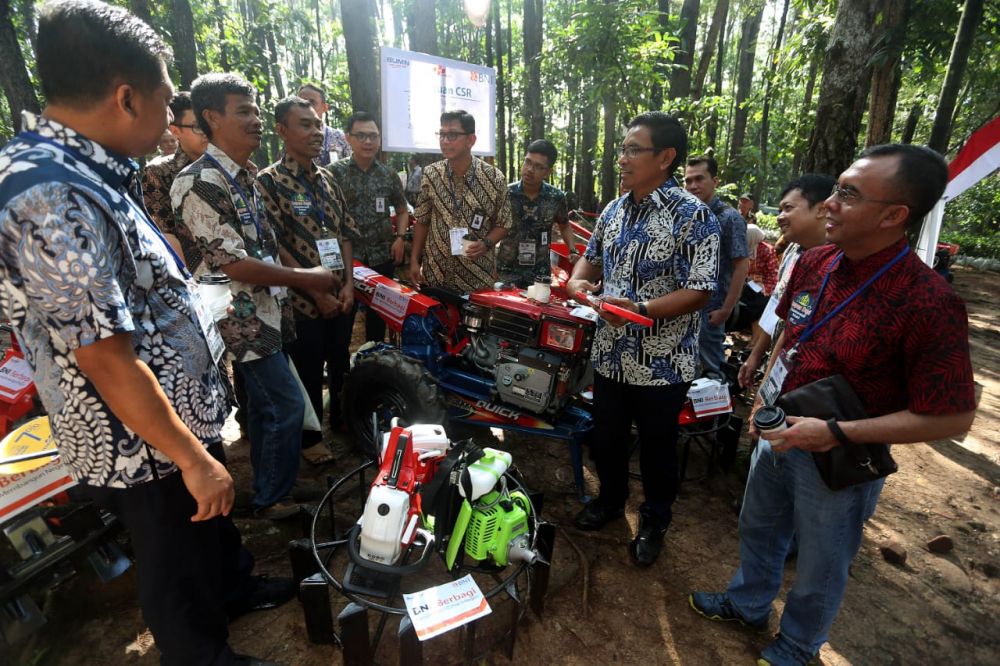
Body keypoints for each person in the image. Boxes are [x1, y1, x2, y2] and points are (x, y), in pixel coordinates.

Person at [0, 3, 292, 664]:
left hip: (174, 414)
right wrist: (189, 457)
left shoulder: (85, 170)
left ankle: (235, 589)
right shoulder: (51, 196)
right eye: (167, 100)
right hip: (142, 442)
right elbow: (105, 358)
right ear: (126, 97)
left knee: (208, 536)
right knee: (173, 555)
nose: (171, 118)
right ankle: (199, 653)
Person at [689, 144, 977, 666]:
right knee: (759, 525)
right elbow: (791, 334)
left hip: (838, 458)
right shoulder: (817, 262)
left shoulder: (929, 300)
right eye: (835, 190)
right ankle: (748, 602)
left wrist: (837, 433)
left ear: (894, 215)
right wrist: (763, 399)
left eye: (847, 195)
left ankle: (799, 644)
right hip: (779, 430)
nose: (829, 205)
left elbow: (953, 415)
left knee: (822, 559)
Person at [172, 72, 339, 520]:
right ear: (212, 118)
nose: (256, 120)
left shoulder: (244, 175)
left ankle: (274, 485)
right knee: (284, 403)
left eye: (256, 110)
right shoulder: (199, 183)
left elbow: (261, 245)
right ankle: (272, 500)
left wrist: (294, 282)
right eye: (243, 111)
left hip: (268, 311)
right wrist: (307, 278)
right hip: (236, 317)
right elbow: (232, 263)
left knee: (271, 407)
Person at [566, 112, 720, 566]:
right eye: (623, 148)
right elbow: (589, 263)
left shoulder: (693, 216)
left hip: (663, 362)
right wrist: (577, 285)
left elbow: (701, 288)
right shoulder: (614, 210)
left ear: (665, 157)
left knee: (657, 448)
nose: (623, 158)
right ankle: (611, 501)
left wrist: (644, 311)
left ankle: (655, 519)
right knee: (608, 439)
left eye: (634, 149)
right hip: (611, 356)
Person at [256, 96, 361, 466]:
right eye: (305, 124)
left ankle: (343, 421)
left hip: (340, 293)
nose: (316, 132)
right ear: (282, 130)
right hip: (301, 300)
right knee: (308, 368)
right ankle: (311, 438)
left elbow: (345, 233)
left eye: (317, 124)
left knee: (339, 360)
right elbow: (274, 243)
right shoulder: (268, 182)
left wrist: (348, 284)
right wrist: (315, 293)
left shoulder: (329, 179)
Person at [737, 174, 836, 389]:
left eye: (788, 208)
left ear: (821, 209)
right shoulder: (793, 251)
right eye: (780, 210)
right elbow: (778, 306)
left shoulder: (841, 263)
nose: (780, 217)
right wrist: (756, 355)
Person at [410, 110, 512, 292]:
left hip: (476, 274)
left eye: (452, 135)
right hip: (436, 272)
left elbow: (504, 223)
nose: (445, 141)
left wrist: (486, 243)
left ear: (471, 140)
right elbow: (422, 220)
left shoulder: (494, 178)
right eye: (442, 135)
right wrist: (414, 261)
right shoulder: (431, 174)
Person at [330, 111, 409, 343]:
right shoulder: (334, 173)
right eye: (361, 136)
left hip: (381, 257)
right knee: (343, 318)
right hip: (347, 260)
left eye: (373, 136)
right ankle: (342, 372)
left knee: (378, 319)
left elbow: (402, 210)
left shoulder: (388, 174)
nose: (368, 141)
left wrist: (400, 238)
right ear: (348, 138)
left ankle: (374, 362)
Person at [684, 155, 749, 381]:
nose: (693, 185)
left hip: (711, 310)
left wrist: (727, 309)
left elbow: (741, 265)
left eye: (699, 179)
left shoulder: (730, 218)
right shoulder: (686, 215)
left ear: (715, 181)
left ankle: (713, 415)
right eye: (688, 180)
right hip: (682, 307)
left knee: (711, 369)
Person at [497, 139, 579, 287]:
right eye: (527, 162)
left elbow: (564, 225)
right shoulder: (506, 193)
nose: (529, 169)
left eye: (538, 166)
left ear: (547, 172)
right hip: (506, 270)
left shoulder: (555, 197)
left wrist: (573, 250)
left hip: (539, 272)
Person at [141, 91, 208, 257]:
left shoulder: (230, 165)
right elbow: (166, 235)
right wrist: (191, 282)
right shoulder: (158, 172)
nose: (208, 132)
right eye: (199, 127)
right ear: (175, 131)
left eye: (210, 124)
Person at [297, 83, 351, 165]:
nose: (306, 106)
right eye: (301, 103)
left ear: (325, 107)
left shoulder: (340, 137)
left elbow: (351, 168)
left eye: (312, 102)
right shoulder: (293, 138)